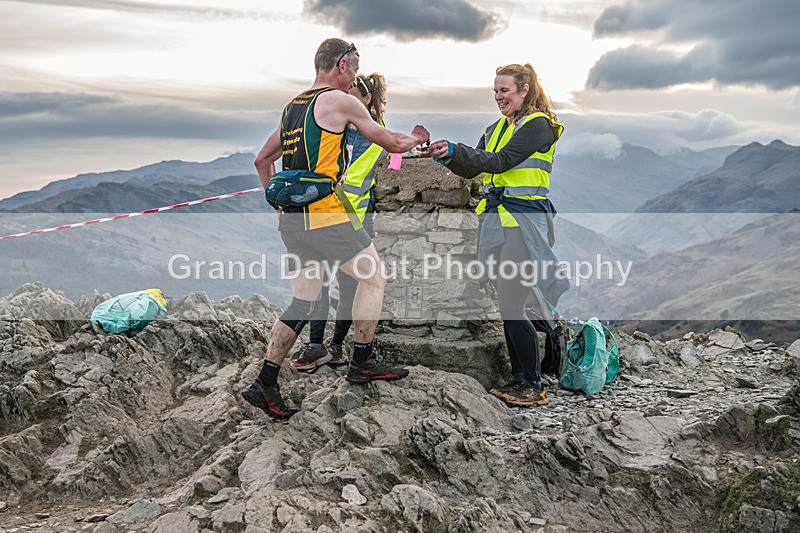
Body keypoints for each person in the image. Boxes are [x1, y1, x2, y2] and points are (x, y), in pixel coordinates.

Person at [242, 39, 430, 420]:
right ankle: (362, 360)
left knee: (302, 301)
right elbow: (391, 142)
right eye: (355, 71)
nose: (355, 79)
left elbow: (262, 160)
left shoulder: (293, 107)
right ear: (342, 65)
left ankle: (265, 381)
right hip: (326, 215)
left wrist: (279, 207)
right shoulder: (341, 101)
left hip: (293, 221)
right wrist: (417, 138)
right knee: (374, 278)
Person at [427, 63, 569, 408]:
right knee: (509, 304)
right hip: (500, 224)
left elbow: (503, 161)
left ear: (524, 90)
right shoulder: (495, 128)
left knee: (512, 303)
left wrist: (458, 149)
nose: (498, 96)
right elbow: (478, 164)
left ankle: (532, 383)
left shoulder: (539, 126)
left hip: (524, 225)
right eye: (495, 91)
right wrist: (447, 156)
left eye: (504, 90)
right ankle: (521, 378)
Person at [291, 72, 389, 372]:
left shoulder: (373, 134)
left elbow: (389, 165)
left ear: (366, 99)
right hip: (330, 218)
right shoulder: (339, 129)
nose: (345, 97)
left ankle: (333, 347)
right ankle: (317, 346)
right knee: (321, 283)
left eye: (352, 92)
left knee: (350, 286)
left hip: (351, 220)